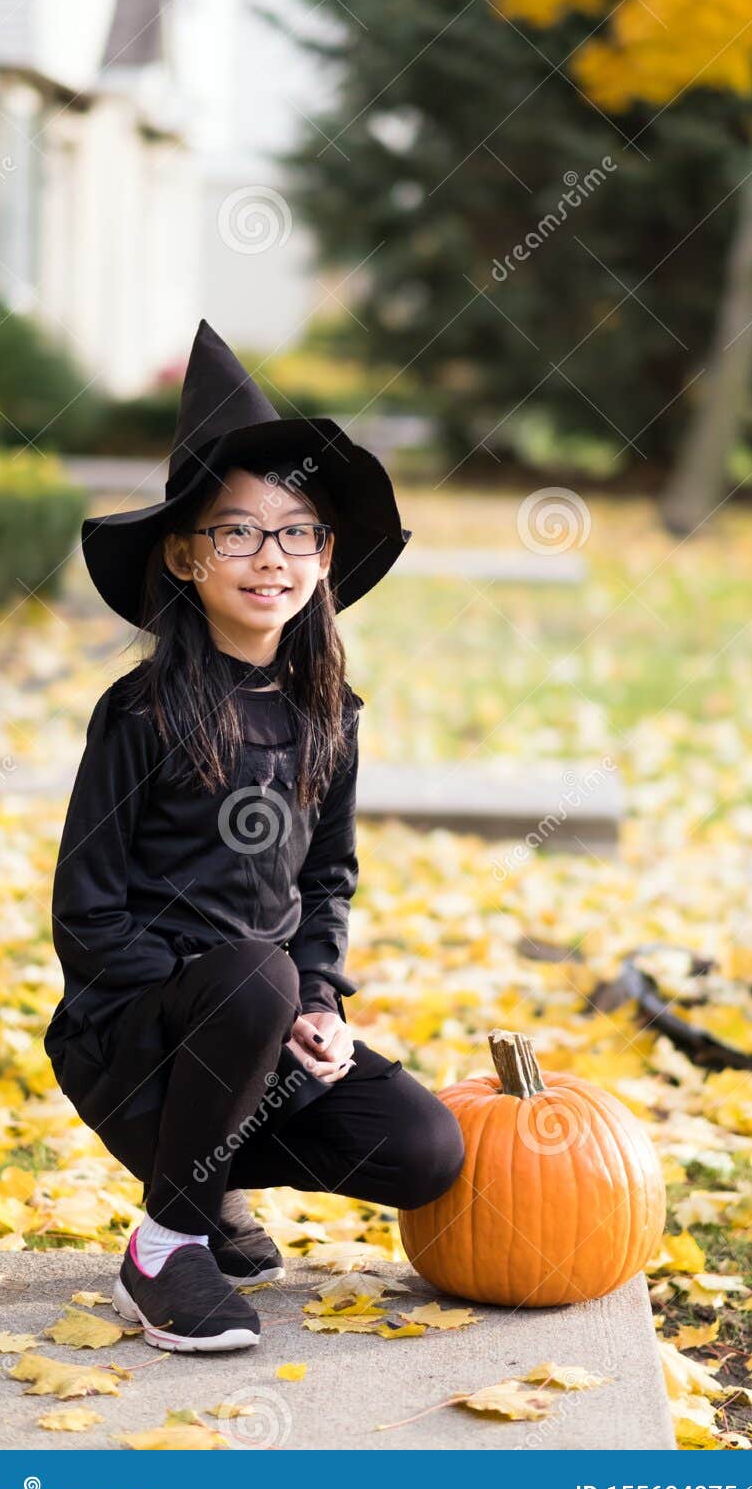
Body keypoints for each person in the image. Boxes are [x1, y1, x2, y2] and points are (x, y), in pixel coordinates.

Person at [44, 320, 466, 1353]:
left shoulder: (329, 710)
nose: (267, 557)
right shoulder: (141, 713)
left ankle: (209, 1173)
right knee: (245, 978)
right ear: (187, 556)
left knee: (424, 1147)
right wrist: (248, 994)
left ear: (325, 558)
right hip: (135, 1041)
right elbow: (86, 911)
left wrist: (315, 1001)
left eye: (295, 533)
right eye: (235, 532)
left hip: (257, 1034)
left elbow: (326, 881)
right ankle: (163, 1244)